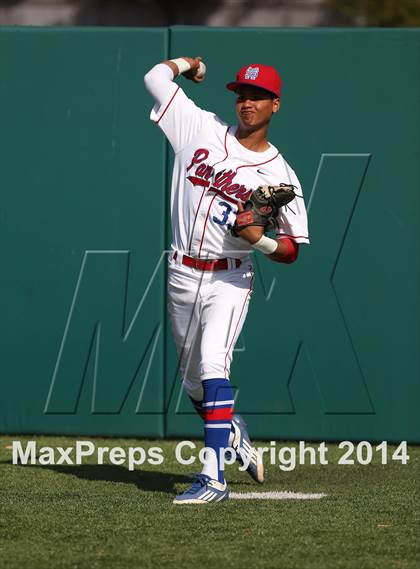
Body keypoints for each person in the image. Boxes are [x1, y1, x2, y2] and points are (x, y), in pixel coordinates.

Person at [144, 57, 309, 505]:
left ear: (275, 104)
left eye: (256, 96)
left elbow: (293, 248)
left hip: (230, 281)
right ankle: (232, 430)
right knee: (194, 384)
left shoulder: (281, 174)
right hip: (181, 271)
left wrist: (260, 241)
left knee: (214, 367)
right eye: (241, 94)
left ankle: (213, 478)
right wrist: (189, 64)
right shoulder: (198, 126)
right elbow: (154, 78)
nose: (246, 103)